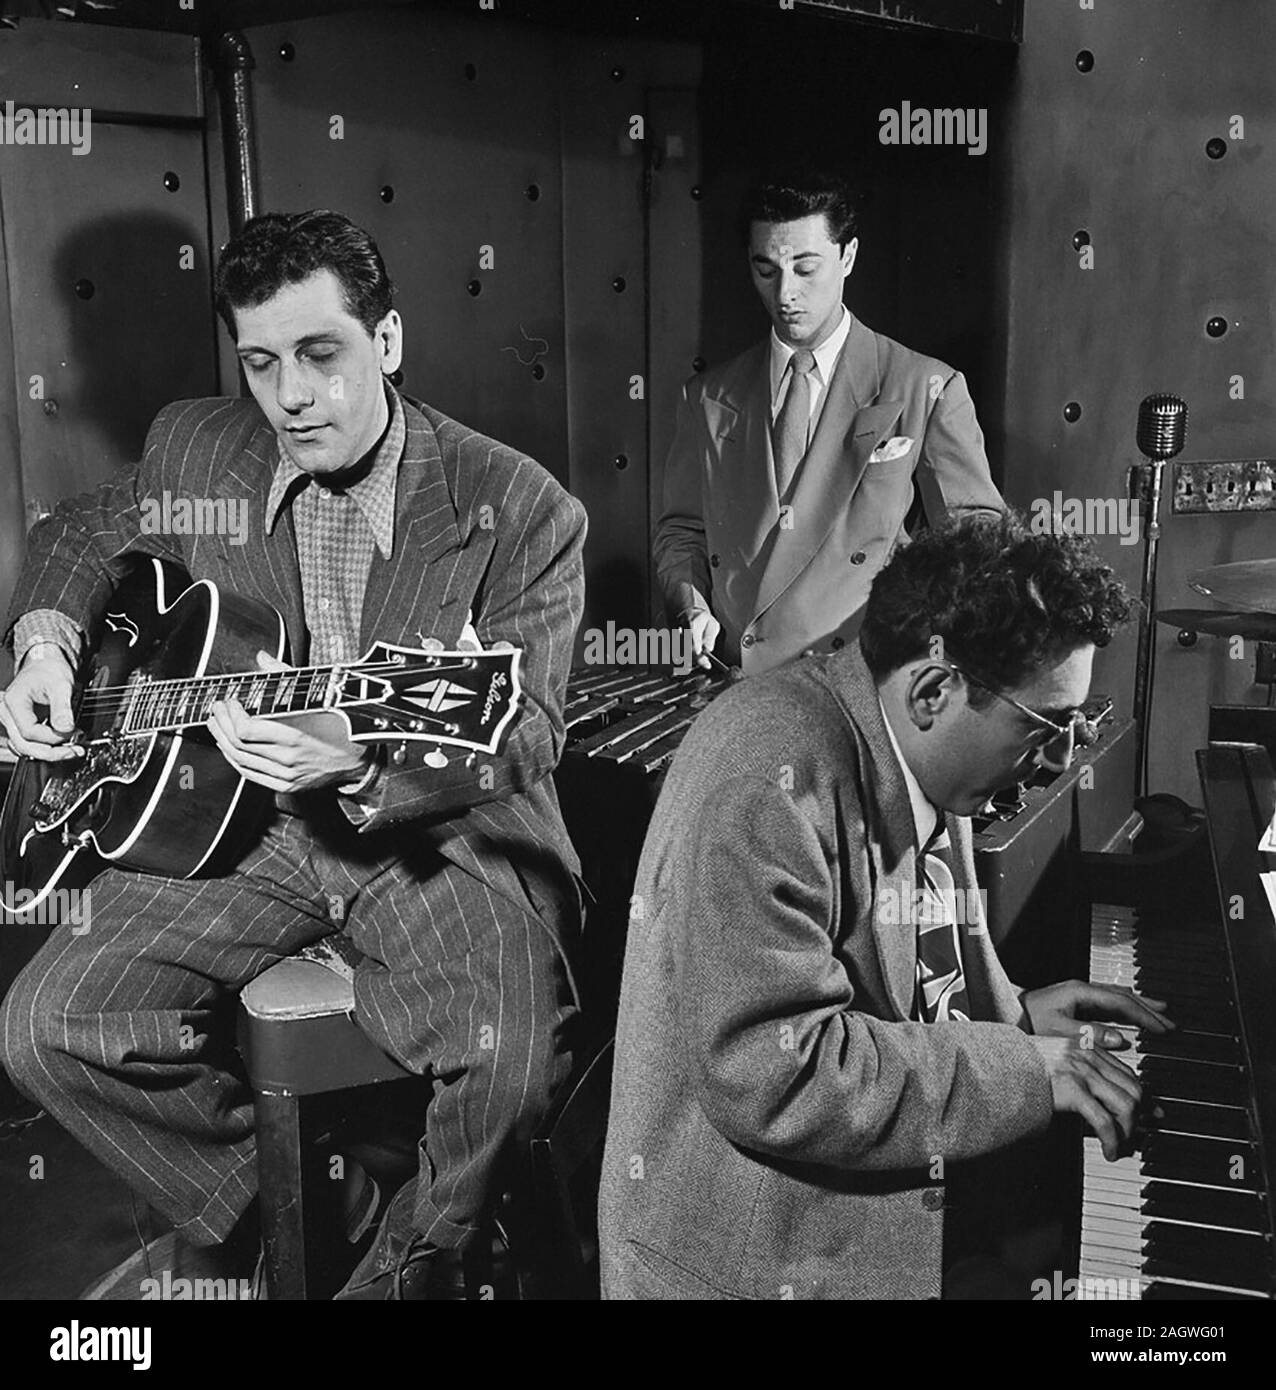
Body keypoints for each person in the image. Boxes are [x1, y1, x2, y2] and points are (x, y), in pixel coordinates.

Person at [0, 210, 587, 1300]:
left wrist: (360, 762)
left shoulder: (518, 504)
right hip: (237, 827)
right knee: (45, 1028)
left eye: (322, 355)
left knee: (508, 1059)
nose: (291, 396)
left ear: (390, 341)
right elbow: (80, 529)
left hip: (425, 830)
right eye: (263, 363)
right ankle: (321, 1217)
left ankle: (421, 1267)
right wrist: (46, 644)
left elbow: (525, 727)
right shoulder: (200, 446)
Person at [600, 512, 1171, 1299]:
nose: (1062, 760)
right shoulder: (767, 776)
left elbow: (907, 976)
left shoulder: (915, 747)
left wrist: (1019, 1015)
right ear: (935, 689)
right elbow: (781, 1074)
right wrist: (1024, 1070)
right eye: (1048, 728)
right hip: (745, 1268)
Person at [654, 168, 1004, 675]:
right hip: (738, 685)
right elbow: (683, 532)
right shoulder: (707, 396)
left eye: (805, 267)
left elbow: (977, 537)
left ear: (848, 256)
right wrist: (690, 606)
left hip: (860, 681)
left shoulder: (926, 386)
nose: (785, 293)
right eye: (766, 269)